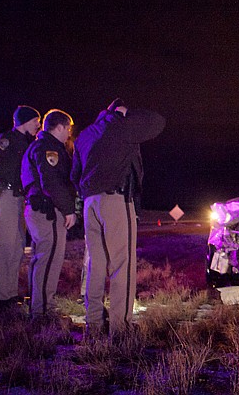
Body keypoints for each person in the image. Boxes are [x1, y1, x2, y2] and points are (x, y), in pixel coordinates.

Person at [71, 98, 165, 338]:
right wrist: (127, 113)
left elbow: (74, 174)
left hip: (90, 204)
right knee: (123, 265)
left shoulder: (85, 135)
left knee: (95, 264)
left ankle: (93, 322)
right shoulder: (120, 126)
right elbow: (157, 122)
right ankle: (120, 327)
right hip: (116, 200)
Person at [21, 109, 78, 322]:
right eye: (68, 129)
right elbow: (52, 182)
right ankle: (43, 312)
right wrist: (68, 210)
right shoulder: (48, 148)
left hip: (40, 210)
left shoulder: (41, 146)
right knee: (49, 260)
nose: (69, 134)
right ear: (60, 127)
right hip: (48, 212)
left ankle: (38, 307)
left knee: (41, 259)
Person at [0, 105, 41, 311]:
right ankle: (2, 298)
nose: (38, 125)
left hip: (19, 197)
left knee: (17, 246)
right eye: (36, 121)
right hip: (8, 196)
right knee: (6, 246)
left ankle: (9, 293)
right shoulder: (7, 141)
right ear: (26, 121)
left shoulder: (27, 142)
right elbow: (3, 170)